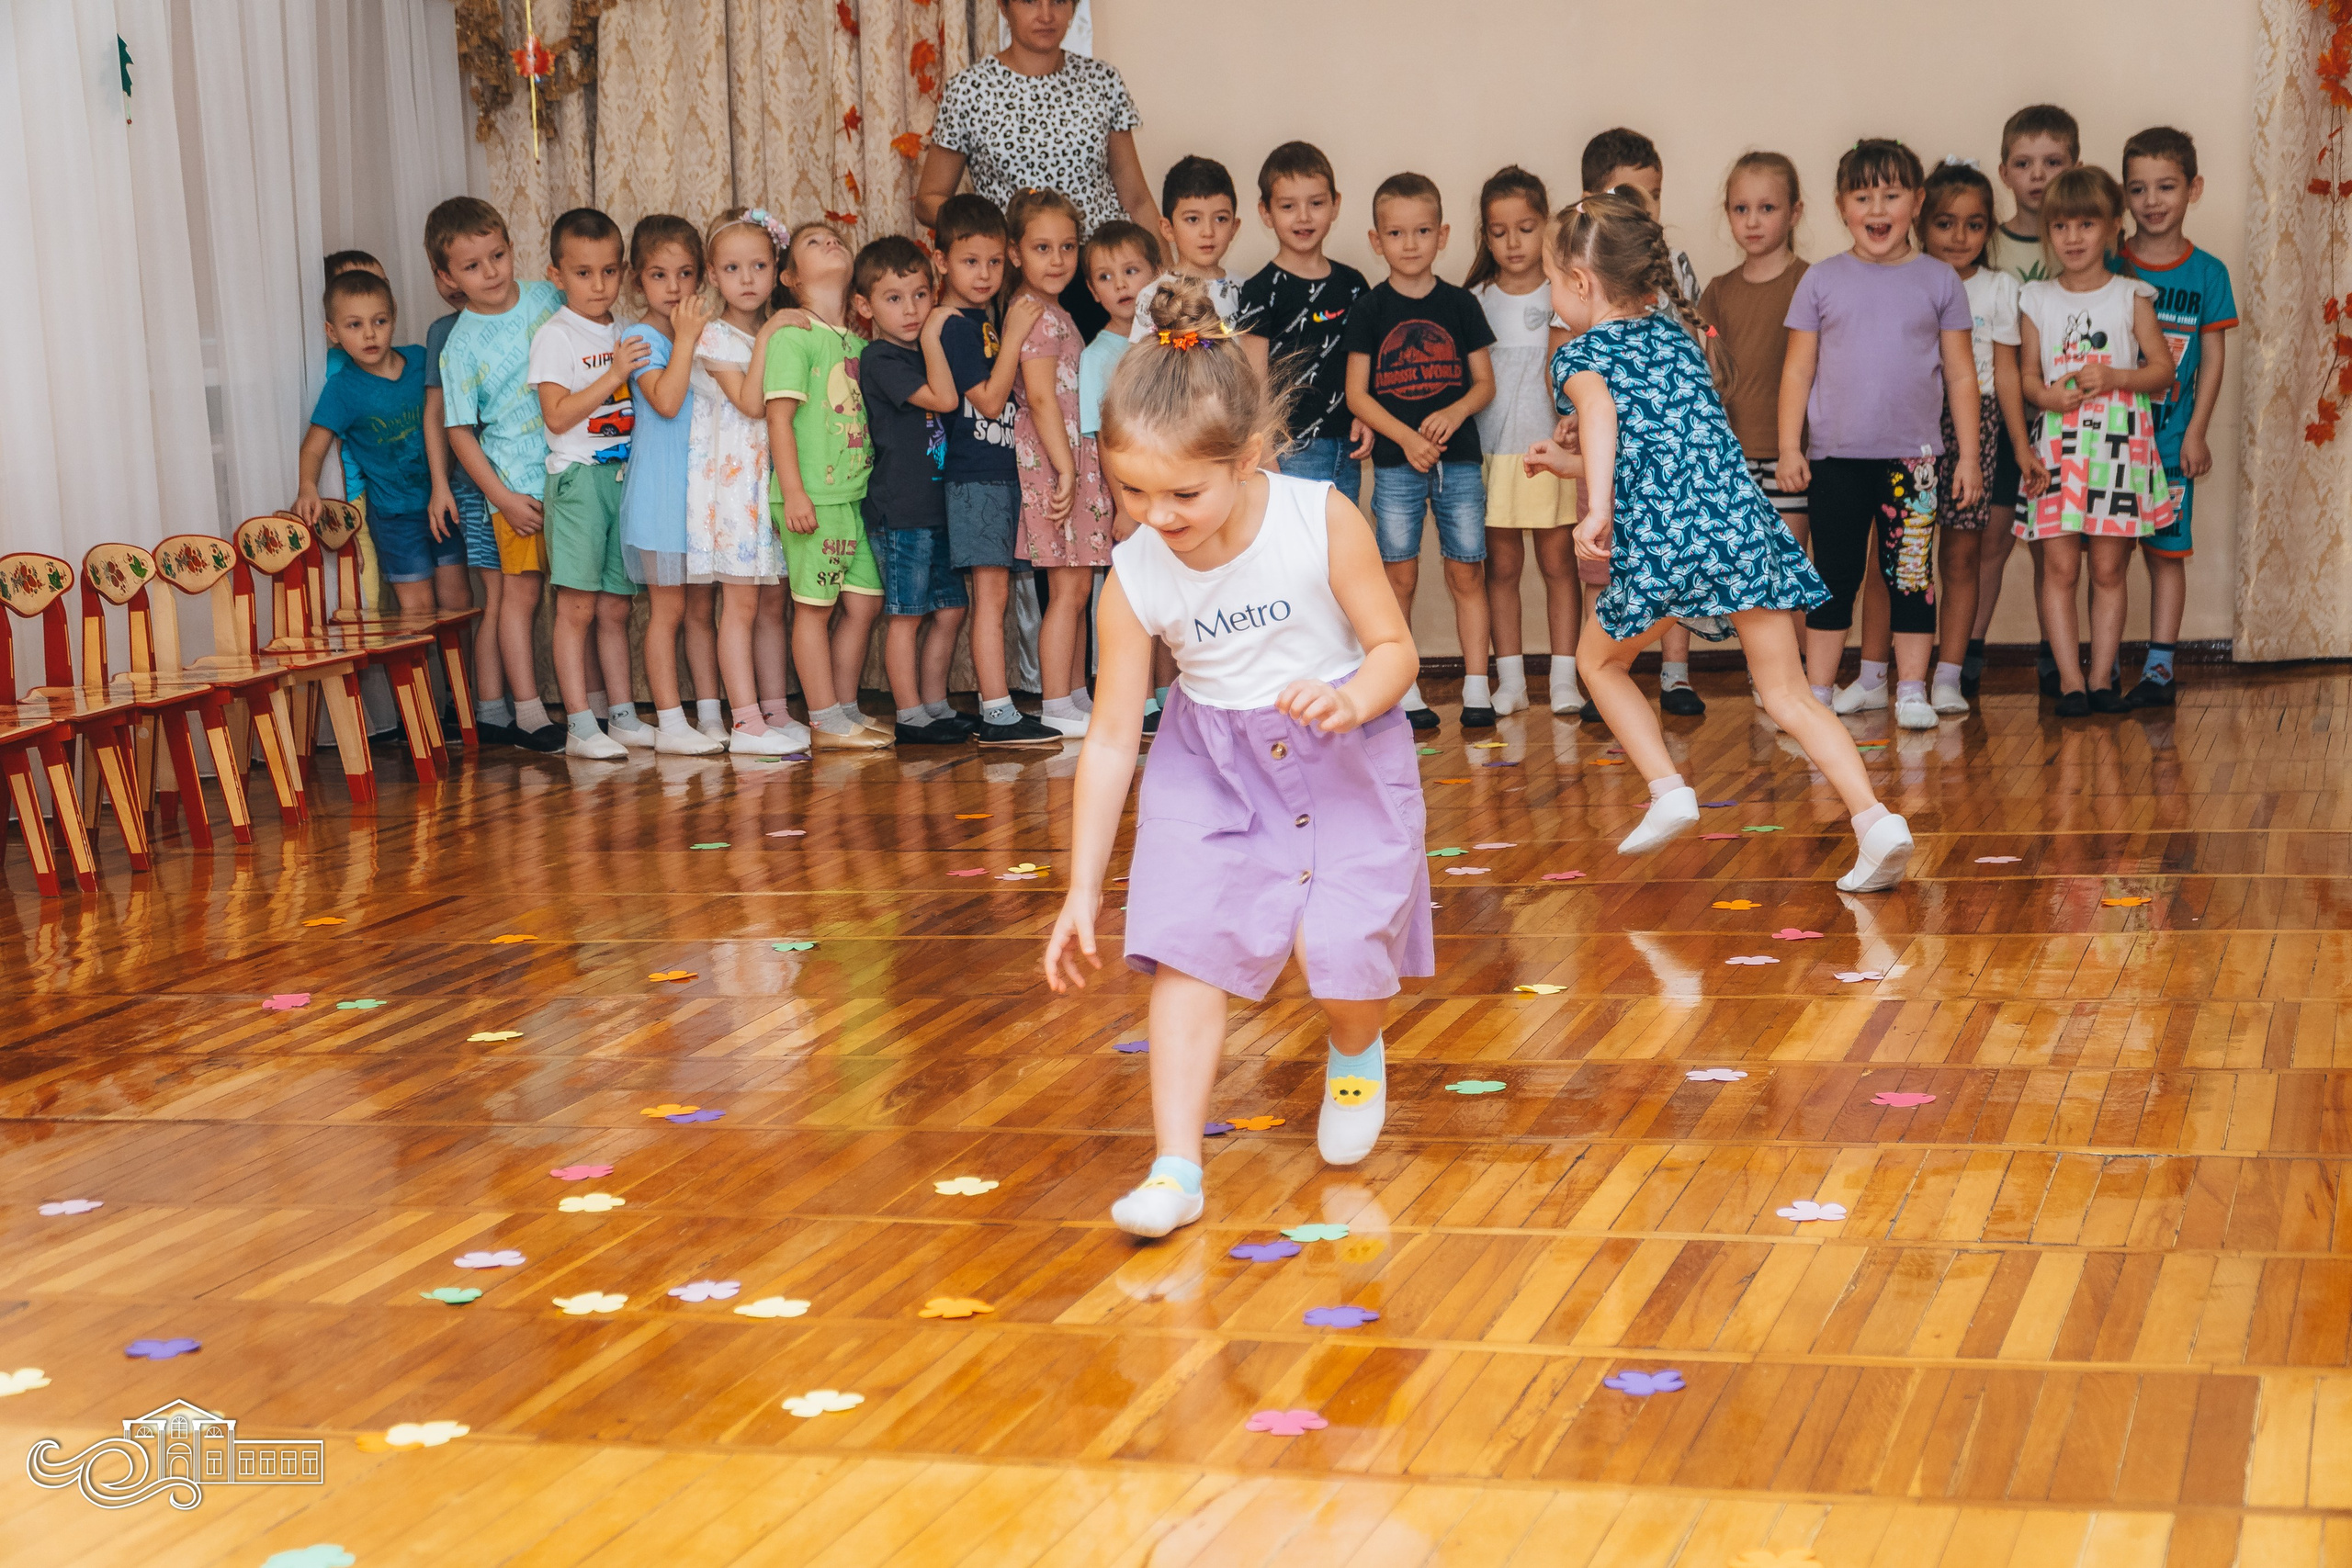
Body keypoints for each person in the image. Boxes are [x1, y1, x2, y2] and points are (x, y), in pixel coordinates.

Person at [1043, 277, 1430, 1238]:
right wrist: (1083, 887)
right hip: (1208, 765)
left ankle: (1354, 1050)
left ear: (1248, 459)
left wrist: (1345, 700)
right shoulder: (1131, 578)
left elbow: (1396, 651)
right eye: (1130, 491)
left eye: (1182, 492)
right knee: (1187, 951)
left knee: (1340, 957)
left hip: (1340, 750)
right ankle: (1175, 1168)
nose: (1156, 515)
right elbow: (1108, 737)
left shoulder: (1318, 517)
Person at [1529, 190, 1915, 891]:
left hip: (1670, 542)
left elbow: (1605, 417)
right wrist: (1572, 465)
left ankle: (1668, 789)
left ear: (1582, 285)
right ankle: (1876, 821)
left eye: (1555, 284)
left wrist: (1597, 507)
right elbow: (1669, 446)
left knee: (1599, 662)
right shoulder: (1679, 337)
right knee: (1791, 696)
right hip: (1741, 530)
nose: (1556, 298)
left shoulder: (1579, 356)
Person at [1777, 139, 1981, 731]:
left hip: (1913, 462)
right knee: (1834, 576)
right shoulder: (1820, 280)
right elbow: (1797, 369)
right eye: (1863, 195)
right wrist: (1791, 447)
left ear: (1915, 203)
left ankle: (1911, 689)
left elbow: (1962, 374)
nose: (1877, 208)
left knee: (1911, 575)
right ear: (1842, 206)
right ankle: (1816, 693)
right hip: (1836, 459)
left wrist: (1967, 456)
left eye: (1891, 195)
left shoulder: (1940, 281)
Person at [2018, 166, 2177, 717]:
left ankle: (2103, 676)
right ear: (2048, 232)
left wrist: (2115, 378)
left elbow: (2162, 371)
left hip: (2119, 449)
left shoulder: (2131, 295)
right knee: (2059, 569)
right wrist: (2047, 396)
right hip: (2059, 449)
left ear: (2114, 227)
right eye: (2061, 226)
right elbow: (2027, 380)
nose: (2074, 237)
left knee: (2109, 570)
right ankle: (2069, 681)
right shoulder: (2035, 297)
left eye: (2087, 224)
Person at [1344, 172, 1497, 732]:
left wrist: (1454, 413)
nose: (1410, 244)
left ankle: (1477, 686)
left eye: (1423, 231)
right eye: (1397, 233)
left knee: (1467, 573)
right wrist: (1406, 438)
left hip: (1457, 463)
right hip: (1395, 465)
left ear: (1443, 235)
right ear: (1376, 240)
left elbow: (1484, 384)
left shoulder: (1459, 304)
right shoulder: (1370, 309)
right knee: (1398, 576)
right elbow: (1357, 393)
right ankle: (1402, 689)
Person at [918, 0, 1158, 337]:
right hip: (1019, 277)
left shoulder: (1103, 81)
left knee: (1110, 382)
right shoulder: (969, 90)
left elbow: (1136, 198)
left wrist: (1169, 275)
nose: (1046, 15)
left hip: (1102, 276)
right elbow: (929, 198)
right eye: (1030, 1)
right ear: (1003, 7)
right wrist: (990, 231)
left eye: (1058, 1)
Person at [922, 194, 1058, 745]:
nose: (983, 274)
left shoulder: (985, 319)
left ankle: (999, 705)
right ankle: (997, 710)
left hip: (999, 473)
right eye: (969, 262)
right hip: (974, 478)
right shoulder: (956, 324)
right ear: (941, 262)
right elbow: (988, 400)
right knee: (991, 594)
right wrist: (1019, 331)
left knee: (996, 594)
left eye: (994, 262)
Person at [434, 196, 566, 750]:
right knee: (519, 598)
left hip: (573, 473)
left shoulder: (547, 297)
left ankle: (597, 708)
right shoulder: (459, 345)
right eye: (472, 265)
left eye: (498, 255)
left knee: (581, 595)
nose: (490, 272)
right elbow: (460, 432)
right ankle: (530, 715)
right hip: (516, 489)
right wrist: (502, 500)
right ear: (447, 279)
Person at [1583, 128, 1704, 716]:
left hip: (1666, 445)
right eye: (1629, 193)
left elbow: (1693, 348)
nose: (1643, 206)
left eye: (1652, 194)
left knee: (1673, 561)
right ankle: (1607, 671)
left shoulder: (1671, 266)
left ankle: (1675, 674)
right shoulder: (1584, 268)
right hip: (1611, 448)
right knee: (1609, 561)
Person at [528, 207, 653, 761]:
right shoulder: (555, 336)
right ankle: (580, 724)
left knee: (616, 608)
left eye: (608, 271)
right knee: (576, 607)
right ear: (556, 275)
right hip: (578, 481)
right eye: (583, 273)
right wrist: (614, 374)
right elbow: (556, 416)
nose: (598, 284)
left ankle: (621, 716)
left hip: (620, 479)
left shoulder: (623, 331)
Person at [2119, 126, 2234, 708]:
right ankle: (2092, 669)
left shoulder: (2208, 273)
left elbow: (2213, 357)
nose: (2152, 201)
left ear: (2194, 188)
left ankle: (2160, 667)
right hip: (2110, 440)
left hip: (2169, 443)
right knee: (2106, 554)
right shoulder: (2109, 261)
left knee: (2166, 552)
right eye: (2138, 189)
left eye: (2166, 186)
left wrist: (2196, 432)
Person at [764, 220, 890, 750]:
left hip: (853, 500)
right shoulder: (794, 337)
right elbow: (778, 420)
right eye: (813, 242)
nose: (830, 242)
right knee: (814, 608)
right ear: (791, 276)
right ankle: (824, 718)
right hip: (812, 498)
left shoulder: (858, 343)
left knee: (863, 603)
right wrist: (794, 491)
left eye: (834, 238)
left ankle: (842, 708)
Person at [687, 208, 807, 756]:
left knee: (773, 605)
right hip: (733, 493)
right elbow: (752, 403)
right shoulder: (711, 337)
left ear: (776, 267)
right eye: (733, 268)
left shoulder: (778, 328)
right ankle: (744, 721)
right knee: (738, 606)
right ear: (713, 274)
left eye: (759, 265)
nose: (748, 279)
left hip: (773, 486)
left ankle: (775, 710)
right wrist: (772, 334)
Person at [1971, 105, 2081, 698]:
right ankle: (1969, 648)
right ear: (2004, 172)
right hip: (1998, 414)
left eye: (2053, 162)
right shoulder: (1987, 246)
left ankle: (2054, 648)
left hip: (2066, 416)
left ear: (2075, 166)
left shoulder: (2083, 241)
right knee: (1993, 535)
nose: (2038, 175)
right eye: (2024, 163)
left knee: (2055, 542)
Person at [854, 237, 975, 747]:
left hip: (938, 506)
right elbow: (945, 399)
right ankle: (909, 716)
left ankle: (934, 705)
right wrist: (933, 334)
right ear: (865, 307)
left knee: (950, 609)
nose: (911, 310)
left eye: (921, 295)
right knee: (906, 616)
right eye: (894, 298)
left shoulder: (925, 354)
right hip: (900, 513)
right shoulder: (880, 358)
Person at [292, 272, 467, 626]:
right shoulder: (342, 390)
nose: (369, 334)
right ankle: (424, 683)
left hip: (443, 501)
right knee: (417, 610)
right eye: (354, 325)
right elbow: (313, 448)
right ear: (333, 333)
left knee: (458, 602)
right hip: (394, 518)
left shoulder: (421, 360)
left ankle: (457, 682)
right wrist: (307, 486)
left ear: (394, 317)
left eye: (379, 321)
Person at [1464, 165, 1575, 716]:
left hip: (1549, 454)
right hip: (1491, 455)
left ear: (1546, 226)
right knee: (1501, 570)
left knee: (1559, 565)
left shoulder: (1566, 294)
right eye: (1499, 230)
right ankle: (1510, 679)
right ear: (1485, 235)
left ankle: (1563, 678)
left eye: (1526, 228)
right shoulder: (1474, 299)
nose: (1512, 242)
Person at [1916, 159, 2023, 717]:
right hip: (1908, 424)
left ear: (1990, 229)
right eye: (1946, 223)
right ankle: (1893, 673)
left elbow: (2005, 373)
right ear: (1921, 223)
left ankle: (1950, 672)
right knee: (1903, 558)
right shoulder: (1907, 277)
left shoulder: (2001, 288)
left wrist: (2016, 447)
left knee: (1961, 556)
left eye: (1975, 224)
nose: (1960, 237)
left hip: (1975, 427)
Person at [1007, 188, 1115, 739]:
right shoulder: (1033, 315)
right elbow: (1043, 398)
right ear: (1015, 253)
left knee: (1076, 589)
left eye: (1067, 247)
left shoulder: (1059, 312)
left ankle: (1072, 694)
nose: (1057, 260)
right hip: (1055, 464)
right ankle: (1054, 700)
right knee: (1066, 590)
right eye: (1042, 248)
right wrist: (1067, 469)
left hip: (1072, 460)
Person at [1699, 151, 1811, 668]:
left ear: (1795, 212)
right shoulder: (1718, 292)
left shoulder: (1812, 283)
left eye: (1767, 208)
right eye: (1741, 209)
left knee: (1789, 572)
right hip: (1734, 458)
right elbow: (1706, 373)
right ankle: (1768, 680)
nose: (1753, 220)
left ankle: (1803, 680)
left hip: (1793, 457)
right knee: (1749, 577)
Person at [618, 214, 725, 755]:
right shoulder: (638, 336)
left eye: (685, 274)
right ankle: (669, 720)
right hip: (661, 493)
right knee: (669, 612)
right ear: (638, 279)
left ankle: (709, 713)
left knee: (704, 611)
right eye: (659, 276)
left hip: (701, 495)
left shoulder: (705, 333)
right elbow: (665, 400)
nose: (675, 288)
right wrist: (684, 338)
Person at [1240, 141, 1370, 508]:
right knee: (1298, 555)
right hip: (1289, 448)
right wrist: (1266, 453)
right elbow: (1254, 380)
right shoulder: (1259, 290)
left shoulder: (1354, 284)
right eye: (1287, 206)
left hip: (1347, 444)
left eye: (1316, 203)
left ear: (1335, 204)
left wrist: (1367, 416)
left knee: (1339, 550)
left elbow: (1365, 363)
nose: (1303, 217)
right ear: (1266, 213)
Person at [1128, 155, 1245, 340]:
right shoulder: (1153, 296)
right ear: (1168, 229)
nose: (1208, 232)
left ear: (1234, 227)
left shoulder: (1248, 290)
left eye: (1220, 219)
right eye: (1193, 219)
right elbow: (1142, 364)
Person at [1079, 221, 1157, 442]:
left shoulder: (1175, 337)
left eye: (1130, 271)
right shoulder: (1095, 358)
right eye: (1105, 277)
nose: (1120, 284)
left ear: (1157, 273)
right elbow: (1104, 439)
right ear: (1092, 290)